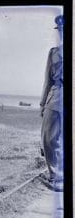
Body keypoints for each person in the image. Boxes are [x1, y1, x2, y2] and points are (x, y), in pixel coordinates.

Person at [39, 15, 64, 192]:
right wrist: (42, 103)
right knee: (48, 138)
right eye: (60, 30)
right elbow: (47, 80)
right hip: (55, 97)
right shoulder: (54, 52)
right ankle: (56, 175)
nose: (62, 33)